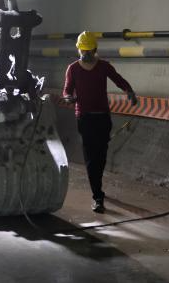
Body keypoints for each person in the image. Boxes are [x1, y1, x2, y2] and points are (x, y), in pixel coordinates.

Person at [62, 31, 138, 213]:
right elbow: (67, 91)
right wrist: (68, 98)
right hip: (84, 118)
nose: (86, 54)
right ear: (79, 50)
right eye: (83, 50)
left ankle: (97, 184)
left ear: (95, 49)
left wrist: (129, 91)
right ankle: (97, 197)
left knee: (101, 156)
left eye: (89, 50)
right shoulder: (73, 69)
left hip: (103, 117)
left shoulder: (104, 67)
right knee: (91, 158)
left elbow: (119, 80)